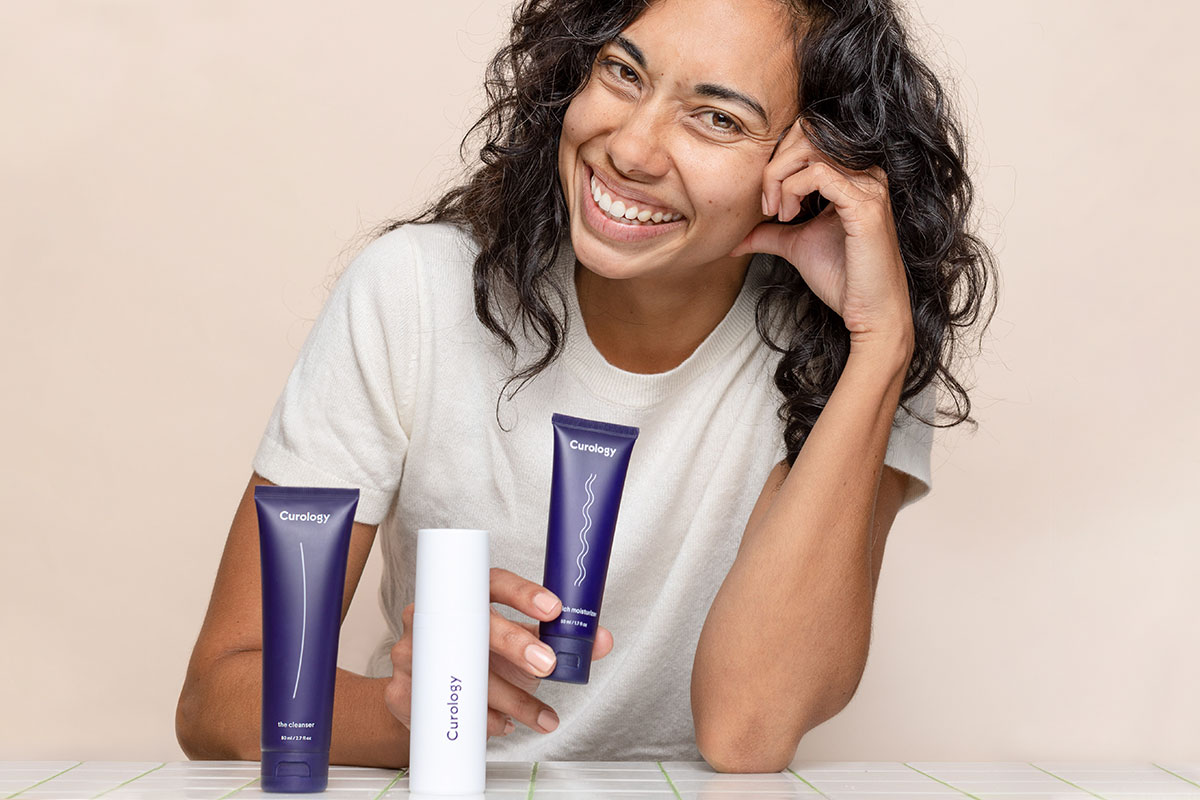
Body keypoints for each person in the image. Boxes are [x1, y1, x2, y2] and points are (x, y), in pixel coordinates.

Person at [176, 0, 996, 773]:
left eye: (717, 117)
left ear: (813, 164)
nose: (632, 150)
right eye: (624, 73)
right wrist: (412, 715)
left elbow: (748, 731)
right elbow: (216, 698)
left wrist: (883, 345)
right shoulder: (414, 294)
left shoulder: (858, 336)